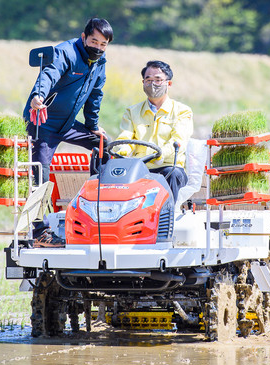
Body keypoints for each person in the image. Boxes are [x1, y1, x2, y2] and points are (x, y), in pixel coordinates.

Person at [24, 17, 113, 247]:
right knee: (40, 176)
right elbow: (48, 74)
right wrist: (38, 96)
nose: (98, 48)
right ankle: (40, 232)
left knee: (104, 146)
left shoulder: (100, 63)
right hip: (43, 122)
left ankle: (104, 210)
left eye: (103, 44)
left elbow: (95, 95)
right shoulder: (65, 52)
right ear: (84, 37)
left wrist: (93, 125)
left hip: (68, 124)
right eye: (94, 41)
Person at [115, 60, 193, 201]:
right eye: (148, 79)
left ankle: (169, 218)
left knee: (173, 173)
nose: (152, 84)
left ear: (169, 84)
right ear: (143, 83)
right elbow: (125, 138)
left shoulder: (182, 111)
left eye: (158, 80)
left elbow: (178, 141)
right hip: (139, 167)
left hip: (167, 166)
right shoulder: (132, 112)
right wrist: (121, 152)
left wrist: (160, 155)